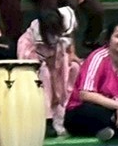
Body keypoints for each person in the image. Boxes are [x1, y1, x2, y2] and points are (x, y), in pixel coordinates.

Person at [17, 8, 80, 137]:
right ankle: (47, 119)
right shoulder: (35, 35)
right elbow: (39, 59)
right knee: (44, 74)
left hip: (57, 55)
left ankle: (66, 108)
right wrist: (48, 64)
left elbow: (69, 37)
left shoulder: (66, 19)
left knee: (74, 67)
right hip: (36, 59)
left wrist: (71, 53)